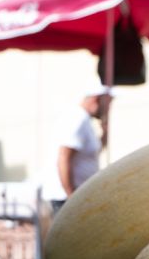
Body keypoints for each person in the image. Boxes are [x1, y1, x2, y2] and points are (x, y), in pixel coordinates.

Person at [45, 85, 112, 214]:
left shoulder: (85, 120)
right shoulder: (77, 119)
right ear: (96, 99)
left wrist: (105, 133)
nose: (108, 109)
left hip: (76, 198)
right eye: (108, 103)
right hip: (66, 199)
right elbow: (63, 157)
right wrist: (71, 197)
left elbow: (92, 153)